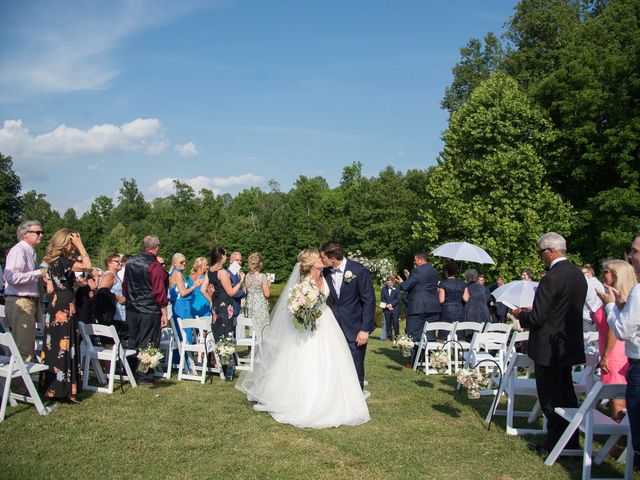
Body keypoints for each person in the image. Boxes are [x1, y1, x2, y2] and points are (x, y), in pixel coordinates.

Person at [236, 249, 370, 428]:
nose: (322, 259)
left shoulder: (327, 275)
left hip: (328, 323)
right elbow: (296, 303)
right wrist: (303, 308)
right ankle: (304, 399)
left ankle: (335, 397)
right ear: (312, 263)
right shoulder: (304, 283)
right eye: (319, 258)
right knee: (308, 360)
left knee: (332, 360)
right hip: (311, 326)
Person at [512, 232, 587, 456]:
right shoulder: (578, 275)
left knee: (550, 397)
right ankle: (570, 438)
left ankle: (553, 443)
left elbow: (537, 318)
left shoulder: (551, 277)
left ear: (549, 251)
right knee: (566, 394)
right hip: (568, 343)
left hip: (547, 345)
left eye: (540, 253)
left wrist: (520, 314)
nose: (541, 258)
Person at [599, 234, 640, 468]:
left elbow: (623, 330)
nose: (630, 255)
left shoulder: (637, 292)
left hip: (633, 361)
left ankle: (626, 450)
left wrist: (611, 306)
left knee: (633, 418)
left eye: (634, 251)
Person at [40, 230, 91, 403]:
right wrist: (80, 245)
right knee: (65, 345)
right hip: (64, 306)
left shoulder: (53, 261)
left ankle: (52, 389)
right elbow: (87, 265)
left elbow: (55, 285)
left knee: (54, 345)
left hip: (56, 303)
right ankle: (67, 390)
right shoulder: (62, 260)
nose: (72, 247)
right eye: (70, 244)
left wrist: (71, 285)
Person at [320, 241, 376, 391]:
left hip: (355, 326)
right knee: (335, 361)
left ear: (332, 258)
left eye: (323, 257)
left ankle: (357, 396)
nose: (321, 260)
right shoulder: (324, 273)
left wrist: (365, 329)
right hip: (333, 325)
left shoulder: (359, 271)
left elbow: (369, 301)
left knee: (356, 362)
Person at [122, 236, 169, 383]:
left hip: (132, 308)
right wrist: (164, 311)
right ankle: (144, 374)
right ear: (156, 247)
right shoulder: (154, 265)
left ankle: (129, 370)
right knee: (148, 342)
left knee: (133, 340)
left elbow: (125, 286)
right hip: (149, 309)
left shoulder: (130, 263)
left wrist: (131, 299)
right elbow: (159, 291)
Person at [593, 259, 634, 422]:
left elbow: (613, 328)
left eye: (607, 272)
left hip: (615, 352)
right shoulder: (611, 295)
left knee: (618, 401)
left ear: (618, 275)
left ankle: (620, 441)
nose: (603, 274)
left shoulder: (619, 298)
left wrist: (606, 355)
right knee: (615, 398)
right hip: (612, 349)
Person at [3, 220, 46, 362]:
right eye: (38, 232)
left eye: (42, 232)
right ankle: (18, 383)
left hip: (28, 301)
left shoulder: (29, 251)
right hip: (21, 302)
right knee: (23, 348)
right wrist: (38, 273)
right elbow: (11, 277)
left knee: (26, 344)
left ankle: (18, 381)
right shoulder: (19, 250)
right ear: (25, 234)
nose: (41, 235)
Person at [396, 251, 440, 367]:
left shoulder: (417, 271)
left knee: (413, 334)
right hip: (433, 307)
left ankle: (413, 361)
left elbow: (406, 286)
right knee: (429, 334)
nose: (414, 262)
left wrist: (401, 282)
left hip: (418, 307)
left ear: (420, 260)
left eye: (415, 260)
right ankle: (429, 360)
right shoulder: (435, 271)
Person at [168, 253, 203, 344]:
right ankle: (185, 356)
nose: (184, 264)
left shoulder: (173, 273)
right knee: (185, 334)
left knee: (180, 333)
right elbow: (183, 293)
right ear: (174, 263)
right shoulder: (177, 274)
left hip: (179, 305)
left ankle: (180, 356)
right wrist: (194, 286)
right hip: (181, 305)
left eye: (185, 262)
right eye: (181, 262)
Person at [94, 254, 127, 339]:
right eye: (117, 261)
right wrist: (118, 298)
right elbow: (102, 292)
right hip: (112, 314)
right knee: (111, 341)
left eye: (121, 261)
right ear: (109, 263)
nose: (120, 263)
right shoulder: (110, 275)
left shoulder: (115, 275)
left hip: (117, 313)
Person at [244, 252, 271, 341]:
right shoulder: (262, 276)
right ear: (260, 264)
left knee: (252, 328)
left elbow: (248, 290)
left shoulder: (247, 276)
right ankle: (261, 349)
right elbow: (267, 294)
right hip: (260, 305)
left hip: (250, 304)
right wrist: (268, 284)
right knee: (262, 327)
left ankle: (251, 351)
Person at [439, 261, 468, 336]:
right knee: (457, 334)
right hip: (459, 310)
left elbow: (441, 300)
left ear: (446, 272)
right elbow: (466, 298)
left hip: (446, 311)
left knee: (445, 334)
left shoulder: (443, 283)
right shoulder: (463, 283)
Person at [227, 251, 247, 332]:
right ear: (231, 261)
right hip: (231, 307)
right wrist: (244, 292)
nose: (239, 262)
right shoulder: (229, 274)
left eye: (240, 260)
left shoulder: (236, 273)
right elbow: (233, 293)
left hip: (236, 307)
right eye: (237, 260)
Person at [582, 263, 604, 333]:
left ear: (590, 272)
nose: (582, 275)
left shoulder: (589, 282)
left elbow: (590, 298)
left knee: (588, 340)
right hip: (597, 315)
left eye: (583, 273)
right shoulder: (599, 283)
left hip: (588, 316)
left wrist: (594, 311)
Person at [380, 277, 400, 341]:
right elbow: (382, 299)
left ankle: (396, 336)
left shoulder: (396, 288)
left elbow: (398, 299)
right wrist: (387, 306)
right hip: (386, 309)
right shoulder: (383, 289)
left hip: (395, 309)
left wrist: (391, 305)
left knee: (395, 323)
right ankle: (389, 337)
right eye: (388, 281)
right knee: (388, 323)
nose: (389, 282)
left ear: (393, 282)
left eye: (390, 281)